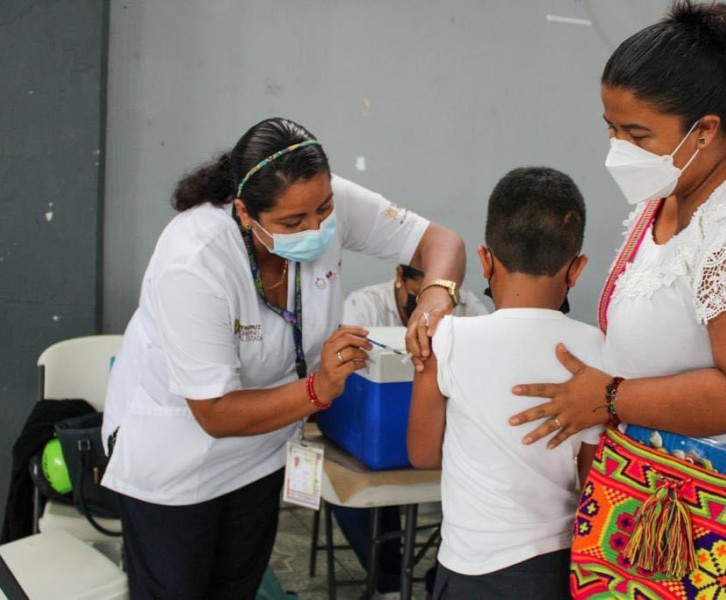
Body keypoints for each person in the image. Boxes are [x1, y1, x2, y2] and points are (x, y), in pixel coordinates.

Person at [100, 116, 466, 599]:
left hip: (261, 454)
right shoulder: (195, 260)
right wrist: (320, 388)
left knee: (238, 588)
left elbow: (442, 242)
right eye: (292, 223)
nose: (316, 228)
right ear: (245, 213)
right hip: (177, 463)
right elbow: (212, 413)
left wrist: (437, 293)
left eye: (324, 211)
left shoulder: (324, 200)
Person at [508, 2, 726, 596]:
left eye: (637, 134)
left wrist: (611, 397)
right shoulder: (669, 192)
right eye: (611, 127)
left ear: (706, 130)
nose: (619, 147)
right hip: (652, 486)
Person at [407, 166, 605, 599]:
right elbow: (593, 477)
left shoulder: (448, 338)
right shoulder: (596, 349)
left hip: (471, 565)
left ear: (485, 259)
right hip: (559, 561)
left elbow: (421, 454)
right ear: (576, 269)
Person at [335, 266, 487, 598]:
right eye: (420, 298)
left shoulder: (468, 307)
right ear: (401, 277)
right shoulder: (363, 306)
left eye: (443, 298)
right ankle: (389, 582)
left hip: (444, 442)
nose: (429, 310)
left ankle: (441, 577)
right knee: (353, 496)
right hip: (372, 439)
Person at [343, 264, 488, 327]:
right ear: (400, 275)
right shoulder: (364, 306)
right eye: (419, 295)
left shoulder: (465, 305)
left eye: (440, 294)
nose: (429, 307)